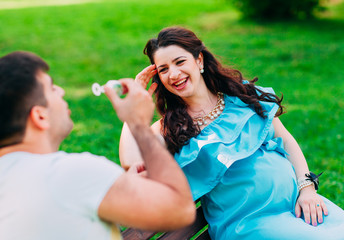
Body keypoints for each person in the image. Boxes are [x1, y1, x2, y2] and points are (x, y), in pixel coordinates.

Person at [119, 27, 344, 239]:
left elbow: (285, 140)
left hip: (298, 205)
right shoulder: (171, 127)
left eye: (180, 62)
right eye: (164, 69)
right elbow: (131, 161)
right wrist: (132, 109)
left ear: (199, 61)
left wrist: (307, 190)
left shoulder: (241, 95)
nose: (174, 74)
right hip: (250, 225)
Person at [0, 51, 196, 240]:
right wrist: (139, 126)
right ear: (39, 116)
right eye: (52, 88)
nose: (62, 92)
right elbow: (181, 210)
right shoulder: (74, 173)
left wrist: (117, 185)